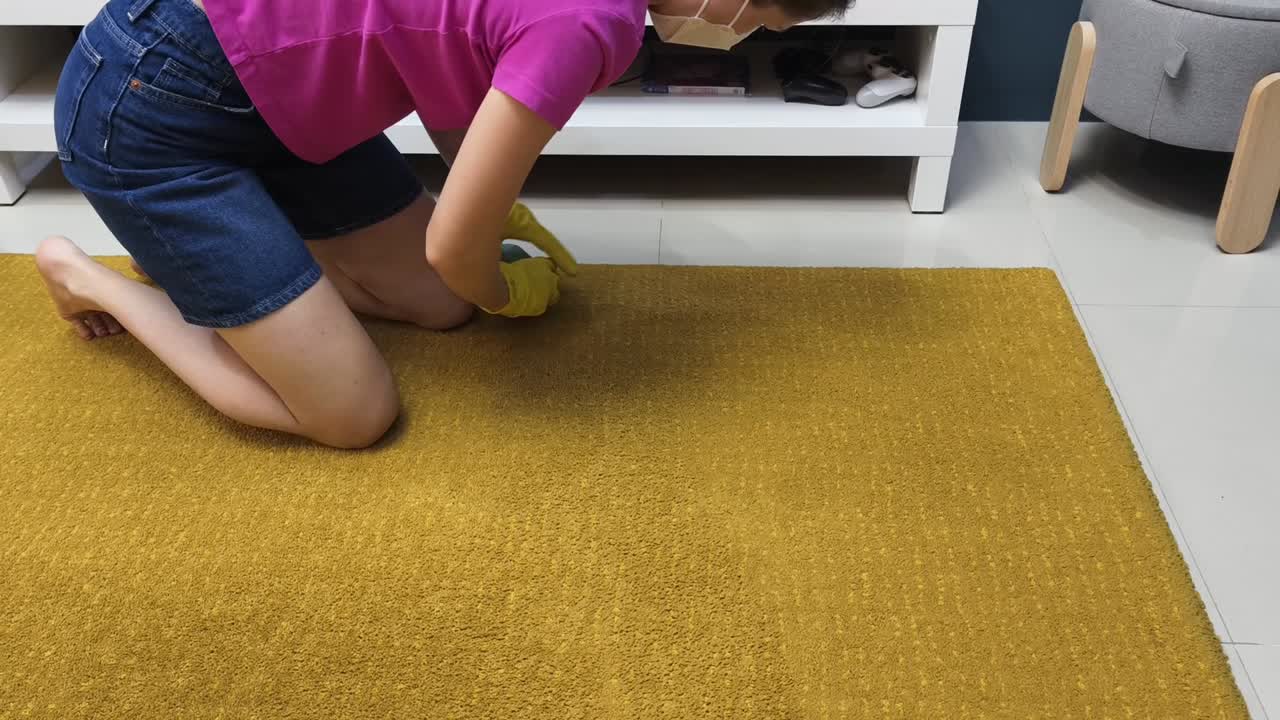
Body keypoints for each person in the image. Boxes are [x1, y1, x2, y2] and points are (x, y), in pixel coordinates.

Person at [36, 0, 851, 448]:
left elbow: (454, 80)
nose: (740, 34)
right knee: (351, 415)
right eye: (761, 22)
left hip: (281, 105)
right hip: (155, 110)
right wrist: (503, 288)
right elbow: (455, 248)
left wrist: (486, 233)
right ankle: (89, 274)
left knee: (438, 305)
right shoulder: (592, 26)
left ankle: (224, 257)